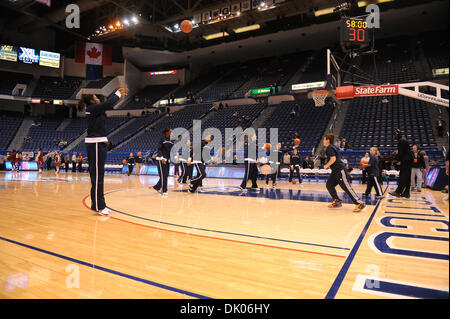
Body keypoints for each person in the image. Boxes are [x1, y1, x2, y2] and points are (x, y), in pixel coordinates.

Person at [79, 87, 127, 215]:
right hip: (94, 144)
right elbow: (108, 103)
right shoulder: (91, 109)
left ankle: (98, 205)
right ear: (92, 101)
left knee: (99, 176)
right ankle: (99, 206)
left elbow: (107, 106)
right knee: (97, 177)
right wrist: (117, 93)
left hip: (99, 143)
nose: (98, 98)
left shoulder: (97, 110)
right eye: (95, 97)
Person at [323, 134, 366, 213]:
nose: (323, 141)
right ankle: (337, 201)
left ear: (328, 140)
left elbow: (333, 159)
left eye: (324, 139)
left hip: (339, 170)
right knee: (329, 184)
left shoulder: (329, 147)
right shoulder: (333, 146)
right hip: (335, 171)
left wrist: (326, 165)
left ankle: (359, 203)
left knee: (346, 187)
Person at [389, 129, 412, 199]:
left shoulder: (401, 141)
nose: (394, 136)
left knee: (403, 176)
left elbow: (401, 153)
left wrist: (395, 159)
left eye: (395, 134)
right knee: (407, 177)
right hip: (408, 160)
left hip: (406, 161)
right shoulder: (403, 140)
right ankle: (406, 193)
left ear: (398, 134)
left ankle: (398, 192)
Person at [152, 128, 173, 197]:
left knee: (166, 175)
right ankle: (164, 190)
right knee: (163, 175)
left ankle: (157, 186)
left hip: (167, 160)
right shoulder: (162, 139)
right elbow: (159, 149)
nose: (172, 132)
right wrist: (162, 158)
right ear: (167, 132)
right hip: (161, 159)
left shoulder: (171, 141)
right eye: (170, 131)